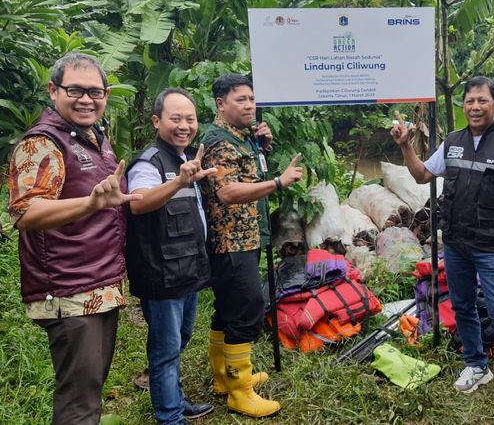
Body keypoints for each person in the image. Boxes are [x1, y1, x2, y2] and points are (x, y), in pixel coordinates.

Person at [391, 76, 494, 421]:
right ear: (463, 106)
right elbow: (422, 176)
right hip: (455, 244)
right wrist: (405, 146)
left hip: (491, 248)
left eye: (482, 101)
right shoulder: (453, 142)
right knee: (463, 307)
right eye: (469, 101)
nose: (475, 107)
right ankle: (476, 365)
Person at [8, 53, 142, 424]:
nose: (86, 100)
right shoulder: (42, 143)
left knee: (90, 389)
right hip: (69, 291)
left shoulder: (94, 137)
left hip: (100, 286)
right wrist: (91, 203)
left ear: (106, 94)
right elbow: (25, 213)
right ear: (53, 91)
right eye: (75, 90)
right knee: (79, 401)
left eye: (95, 92)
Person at [200, 74, 303, 417]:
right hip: (230, 241)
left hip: (245, 237)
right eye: (241, 99)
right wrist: (278, 181)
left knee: (228, 309)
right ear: (221, 103)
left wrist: (262, 148)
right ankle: (239, 391)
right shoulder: (219, 142)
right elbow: (226, 192)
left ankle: (223, 378)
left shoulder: (239, 137)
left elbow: (246, 175)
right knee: (247, 310)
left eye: (251, 99)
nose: (249, 105)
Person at [125, 89, 217, 424]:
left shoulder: (184, 158)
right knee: (165, 351)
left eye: (189, 119)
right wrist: (179, 181)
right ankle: (169, 416)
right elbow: (138, 202)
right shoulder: (149, 161)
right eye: (175, 118)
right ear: (156, 121)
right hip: (162, 273)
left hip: (187, 269)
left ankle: (175, 399)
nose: (184, 125)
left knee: (181, 338)